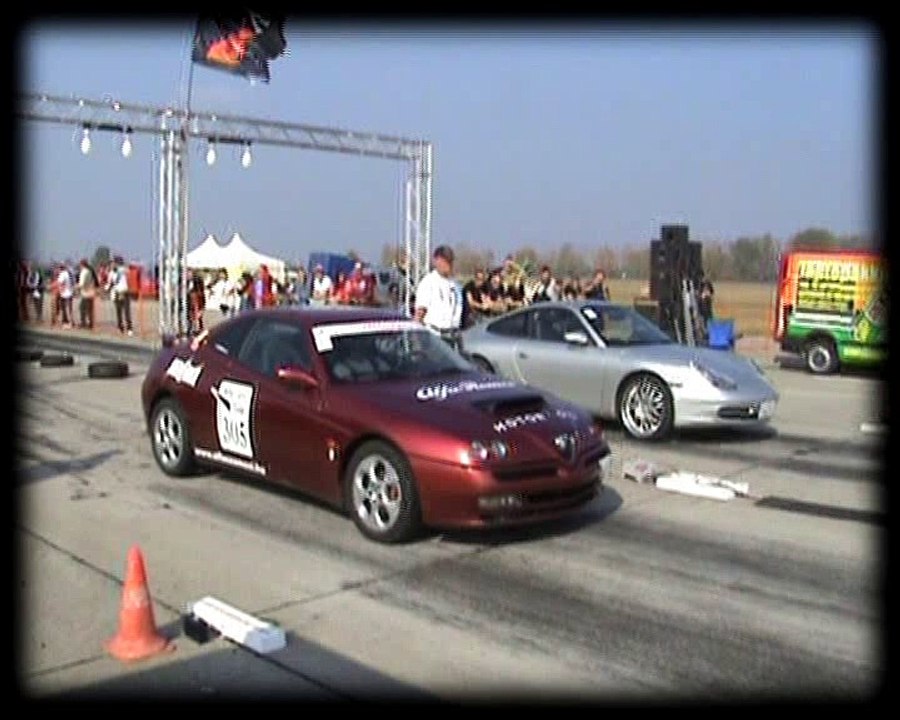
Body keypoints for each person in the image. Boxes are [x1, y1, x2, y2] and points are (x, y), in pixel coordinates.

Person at [414, 245, 463, 349]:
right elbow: (420, 312)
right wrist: (417, 338)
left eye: (450, 261)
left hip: (453, 335)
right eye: (445, 261)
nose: (448, 265)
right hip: (435, 335)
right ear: (436, 261)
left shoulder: (455, 285)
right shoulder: (428, 282)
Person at [106, 257, 133, 336]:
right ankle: (120, 327)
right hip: (117, 292)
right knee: (118, 311)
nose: (112, 265)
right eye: (111, 264)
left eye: (114, 263)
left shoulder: (122, 270)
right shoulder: (111, 273)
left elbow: (128, 270)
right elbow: (109, 283)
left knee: (127, 311)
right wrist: (106, 288)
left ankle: (129, 328)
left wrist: (121, 265)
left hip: (124, 292)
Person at [77, 258, 99, 329]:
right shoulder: (90, 271)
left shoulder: (84, 272)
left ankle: (83, 323)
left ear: (82, 265)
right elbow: (95, 282)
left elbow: (82, 284)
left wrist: (76, 287)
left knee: (82, 308)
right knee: (90, 309)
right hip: (91, 292)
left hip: (86, 293)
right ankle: (91, 324)